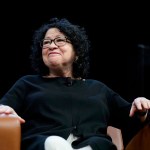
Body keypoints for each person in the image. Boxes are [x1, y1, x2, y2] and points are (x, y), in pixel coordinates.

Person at [0, 17, 150, 150]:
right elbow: (3, 107)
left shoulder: (98, 89)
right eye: (46, 42)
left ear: (76, 53)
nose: (52, 45)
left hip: (94, 146)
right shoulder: (27, 83)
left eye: (60, 40)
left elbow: (133, 118)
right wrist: (3, 109)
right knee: (54, 143)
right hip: (45, 144)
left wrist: (141, 108)